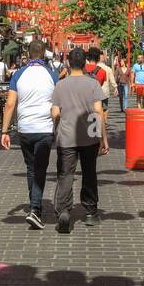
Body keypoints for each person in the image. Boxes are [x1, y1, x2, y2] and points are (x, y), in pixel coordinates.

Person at [0, 40, 58, 229]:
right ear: (43, 55)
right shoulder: (52, 75)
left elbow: (10, 104)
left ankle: (35, 205)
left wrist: (4, 130)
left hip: (25, 128)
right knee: (40, 168)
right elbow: (58, 103)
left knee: (31, 168)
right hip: (45, 128)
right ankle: (35, 208)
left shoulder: (18, 74)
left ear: (29, 54)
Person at [51, 47, 108, 233]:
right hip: (90, 134)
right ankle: (90, 212)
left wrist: (56, 128)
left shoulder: (60, 85)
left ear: (68, 63)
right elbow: (99, 112)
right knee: (89, 173)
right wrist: (103, 138)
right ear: (85, 64)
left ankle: (64, 211)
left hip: (66, 136)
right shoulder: (92, 84)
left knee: (65, 174)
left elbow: (55, 113)